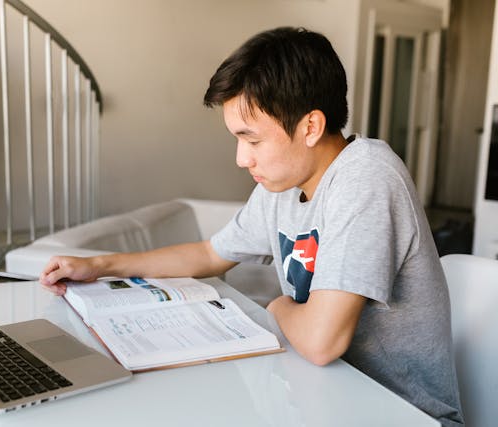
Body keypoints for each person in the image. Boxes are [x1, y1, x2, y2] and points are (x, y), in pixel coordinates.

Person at [40, 27, 463, 426]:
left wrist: (278, 306)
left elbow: (320, 342)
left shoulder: (367, 179)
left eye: (253, 140)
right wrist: (100, 264)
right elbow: (209, 254)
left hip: (401, 414)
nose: (242, 159)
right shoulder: (283, 185)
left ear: (310, 126)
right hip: (322, 399)